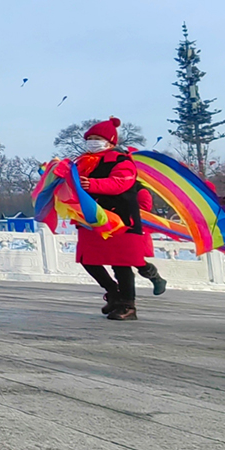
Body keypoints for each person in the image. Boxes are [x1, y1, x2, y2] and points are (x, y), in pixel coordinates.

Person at [74, 117, 146, 321]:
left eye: (97, 138)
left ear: (110, 142)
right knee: (88, 259)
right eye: (90, 138)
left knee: (121, 263)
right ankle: (113, 293)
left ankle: (128, 305)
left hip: (121, 219)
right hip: (92, 220)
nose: (92, 142)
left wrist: (92, 185)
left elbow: (119, 183)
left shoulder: (121, 160)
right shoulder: (82, 162)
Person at [134, 187, 167, 297]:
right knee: (122, 260)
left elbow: (144, 210)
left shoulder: (141, 191)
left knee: (134, 260)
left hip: (137, 230)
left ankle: (156, 278)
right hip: (122, 228)